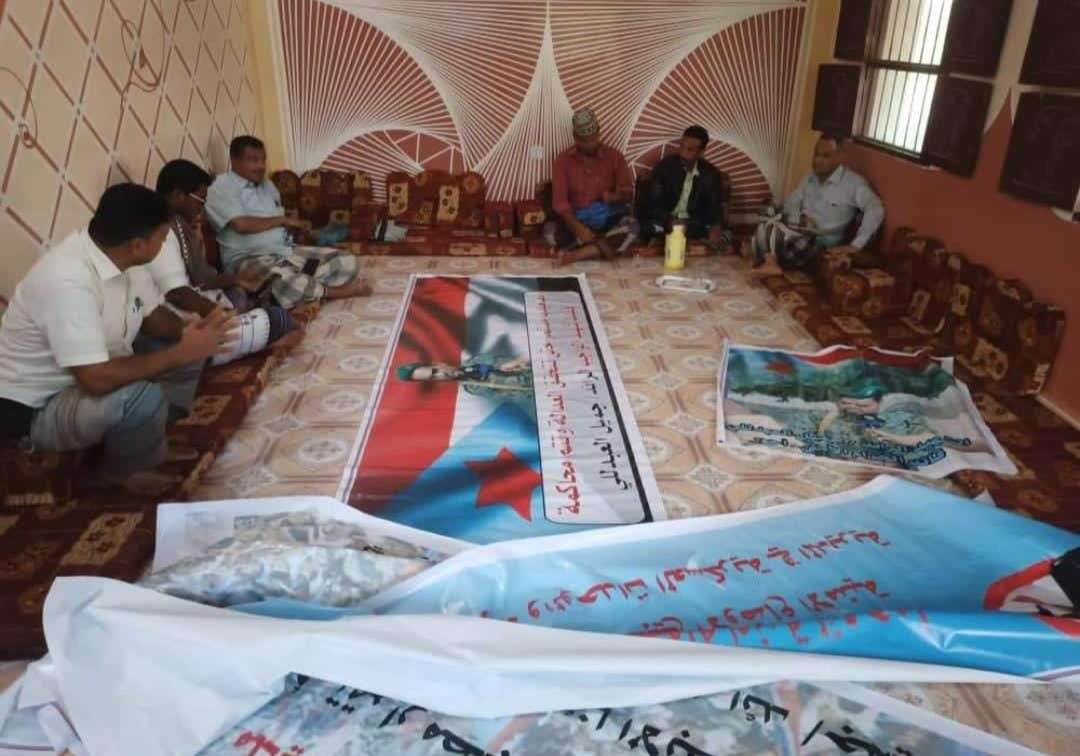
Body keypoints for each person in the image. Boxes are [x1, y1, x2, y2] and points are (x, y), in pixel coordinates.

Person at [0, 184, 233, 483]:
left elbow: (153, 317)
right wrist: (180, 352)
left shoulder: (122, 258)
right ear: (137, 244)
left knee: (185, 348)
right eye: (163, 237)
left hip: (84, 379)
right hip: (37, 406)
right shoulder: (67, 280)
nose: (165, 243)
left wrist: (192, 332)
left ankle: (150, 439)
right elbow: (95, 378)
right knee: (141, 397)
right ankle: (125, 475)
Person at [153, 159, 300, 362]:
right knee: (280, 321)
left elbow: (201, 279)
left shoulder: (180, 226)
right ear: (178, 195)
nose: (202, 207)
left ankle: (249, 333)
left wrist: (238, 280)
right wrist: (224, 316)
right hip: (181, 319)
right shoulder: (163, 232)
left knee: (246, 296)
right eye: (200, 200)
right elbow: (178, 294)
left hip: (195, 305)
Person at [204, 136, 371, 308]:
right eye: (253, 160)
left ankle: (289, 288)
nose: (261, 166)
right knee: (283, 280)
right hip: (249, 259)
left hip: (284, 252)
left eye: (263, 160)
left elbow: (278, 226)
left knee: (347, 261)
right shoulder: (222, 188)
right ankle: (332, 291)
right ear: (234, 161)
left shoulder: (267, 186)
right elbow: (240, 224)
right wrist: (283, 220)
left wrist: (298, 231)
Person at [750, 133, 883, 276]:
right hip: (796, 229)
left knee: (770, 230)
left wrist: (856, 245)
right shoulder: (810, 177)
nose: (817, 160)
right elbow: (791, 202)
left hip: (817, 241)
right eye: (816, 154)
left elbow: (876, 208)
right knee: (768, 208)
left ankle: (765, 255)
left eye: (825, 156)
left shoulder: (853, 184)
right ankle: (767, 254)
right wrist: (799, 219)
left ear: (839, 158)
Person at [545, 108, 639, 266]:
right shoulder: (563, 161)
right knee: (550, 231)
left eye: (593, 139)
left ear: (599, 133)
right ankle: (602, 247)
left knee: (632, 227)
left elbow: (628, 193)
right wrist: (578, 228)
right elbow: (560, 203)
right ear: (575, 137)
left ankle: (577, 254)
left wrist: (614, 197)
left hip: (608, 220)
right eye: (584, 141)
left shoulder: (615, 157)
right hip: (576, 221)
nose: (590, 145)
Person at [640, 125, 731, 252]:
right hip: (665, 222)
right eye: (682, 147)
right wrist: (670, 221)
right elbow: (653, 204)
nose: (683, 153)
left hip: (692, 224)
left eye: (690, 149)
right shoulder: (665, 167)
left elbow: (714, 207)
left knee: (724, 236)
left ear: (701, 152)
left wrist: (715, 227)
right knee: (648, 228)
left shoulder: (710, 174)